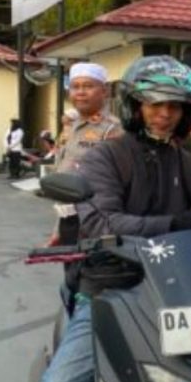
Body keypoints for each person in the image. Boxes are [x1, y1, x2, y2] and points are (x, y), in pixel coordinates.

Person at [20, 55, 191, 382]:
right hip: (111, 292)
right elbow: (102, 223)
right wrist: (177, 223)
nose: (164, 115)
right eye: (154, 104)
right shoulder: (105, 157)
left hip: (177, 295)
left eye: (174, 106)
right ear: (135, 106)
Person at [50, 63, 123, 246]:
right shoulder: (73, 125)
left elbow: (119, 181)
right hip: (68, 216)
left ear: (104, 91)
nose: (80, 92)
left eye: (88, 86)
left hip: (96, 221)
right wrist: (59, 229)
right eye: (75, 87)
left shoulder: (112, 129)